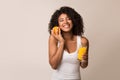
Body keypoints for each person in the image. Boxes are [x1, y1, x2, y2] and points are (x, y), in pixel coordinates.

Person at [48, 6, 89, 80]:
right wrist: (62, 42)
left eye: (68, 19)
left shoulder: (83, 41)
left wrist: (84, 60)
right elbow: (54, 65)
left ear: (74, 21)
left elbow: (83, 66)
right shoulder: (54, 39)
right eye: (61, 20)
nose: (65, 22)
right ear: (57, 24)